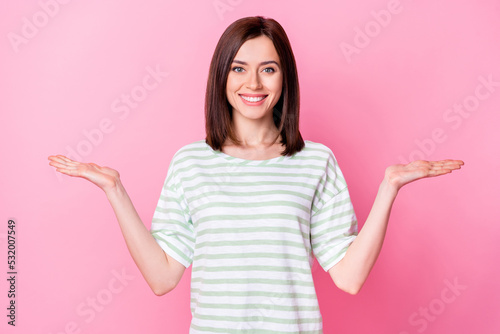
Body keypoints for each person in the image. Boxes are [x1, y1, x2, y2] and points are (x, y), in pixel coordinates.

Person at [48, 16, 463, 334]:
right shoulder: (191, 162)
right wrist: (115, 190)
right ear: (222, 76)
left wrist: (389, 187)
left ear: (285, 78)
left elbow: (349, 277)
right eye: (238, 68)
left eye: (268, 69)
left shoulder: (316, 161)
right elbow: (162, 277)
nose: (253, 82)